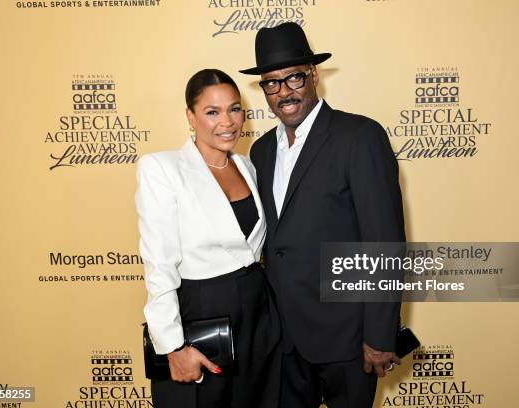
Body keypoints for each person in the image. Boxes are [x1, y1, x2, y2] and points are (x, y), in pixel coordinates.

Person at [240, 23, 406, 408]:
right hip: (282, 339)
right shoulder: (261, 151)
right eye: (272, 83)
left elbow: (384, 242)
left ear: (313, 74)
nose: (284, 92)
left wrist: (380, 336)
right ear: (262, 89)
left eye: (293, 78)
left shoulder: (359, 136)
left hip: (347, 338)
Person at [135, 69, 280, 408]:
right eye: (212, 112)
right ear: (191, 116)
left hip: (258, 311)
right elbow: (159, 263)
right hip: (201, 310)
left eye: (234, 109)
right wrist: (172, 346)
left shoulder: (248, 165)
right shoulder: (161, 168)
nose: (227, 122)